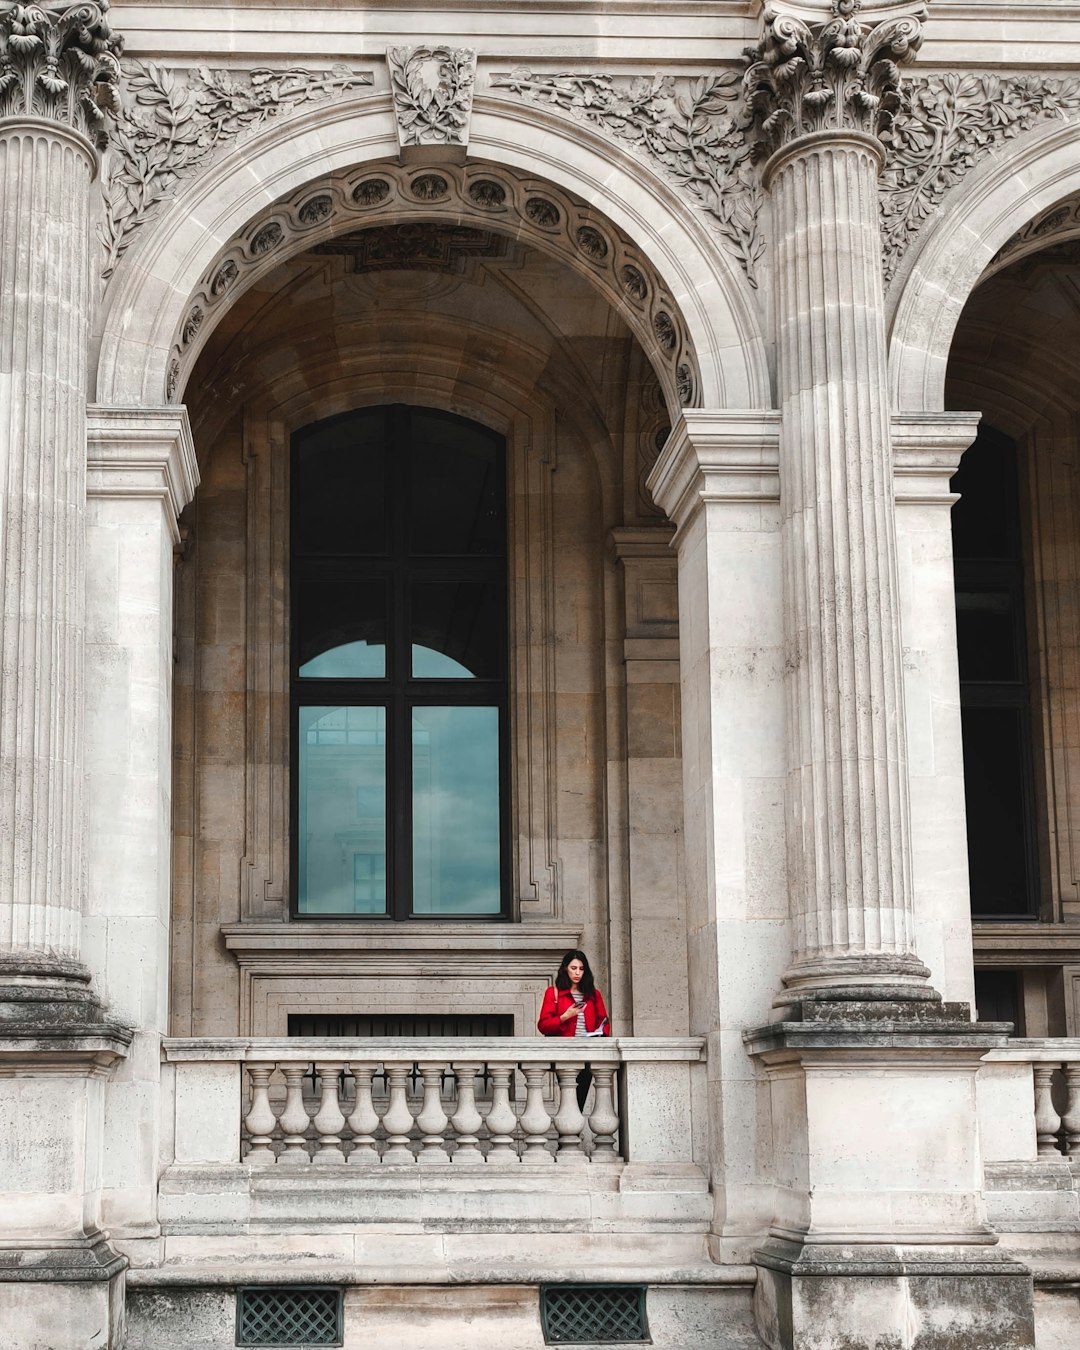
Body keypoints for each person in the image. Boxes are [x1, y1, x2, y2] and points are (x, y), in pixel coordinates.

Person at [537, 950, 611, 1110]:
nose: (577, 972)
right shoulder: (553, 993)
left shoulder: (594, 995)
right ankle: (569, 1132)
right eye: (573, 968)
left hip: (587, 1051)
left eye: (581, 968)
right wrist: (565, 1016)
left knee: (580, 1098)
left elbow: (604, 1022)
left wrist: (601, 1033)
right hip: (565, 1051)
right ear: (565, 969)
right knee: (569, 1096)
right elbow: (543, 1025)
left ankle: (572, 1132)